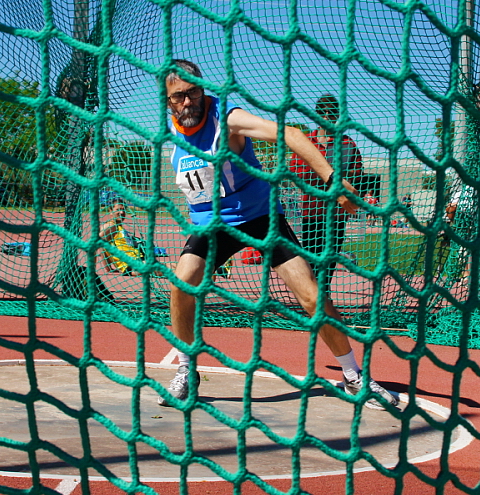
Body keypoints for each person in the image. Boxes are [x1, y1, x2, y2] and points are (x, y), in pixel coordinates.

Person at [159, 59, 398, 410]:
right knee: (181, 286)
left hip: (259, 218)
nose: (187, 102)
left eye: (193, 92)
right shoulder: (173, 129)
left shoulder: (227, 118)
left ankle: (352, 376)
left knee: (312, 297)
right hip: (211, 226)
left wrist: (333, 179)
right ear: (167, 100)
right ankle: (186, 369)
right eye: (178, 96)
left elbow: (291, 135)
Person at [288, 94, 364, 275]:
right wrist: (326, 174)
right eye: (323, 111)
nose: (327, 115)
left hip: (337, 214)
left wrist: (338, 175)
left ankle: (325, 291)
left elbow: (358, 174)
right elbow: (295, 171)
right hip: (312, 212)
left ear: (337, 115)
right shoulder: (306, 141)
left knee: (329, 264)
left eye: (332, 111)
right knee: (311, 262)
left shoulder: (347, 143)